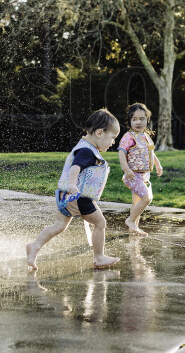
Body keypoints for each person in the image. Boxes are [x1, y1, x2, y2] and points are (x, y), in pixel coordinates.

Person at [26, 109, 122, 270]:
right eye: (112, 137)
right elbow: (75, 168)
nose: (113, 142)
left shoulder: (85, 147)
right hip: (78, 197)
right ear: (99, 133)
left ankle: (34, 246)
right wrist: (72, 184)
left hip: (66, 196)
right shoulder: (87, 151)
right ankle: (99, 257)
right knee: (100, 223)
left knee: (59, 225)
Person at [118, 103, 162, 236]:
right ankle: (130, 220)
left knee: (137, 202)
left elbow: (151, 153)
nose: (138, 122)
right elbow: (121, 152)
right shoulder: (129, 136)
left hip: (143, 176)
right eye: (134, 119)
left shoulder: (145, 136)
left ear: (147, 120)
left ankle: (133, 228)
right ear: (129, 121)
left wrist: (158, 164)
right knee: (147, 198)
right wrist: (126, 169)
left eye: (142, 119)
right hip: (132, 175)